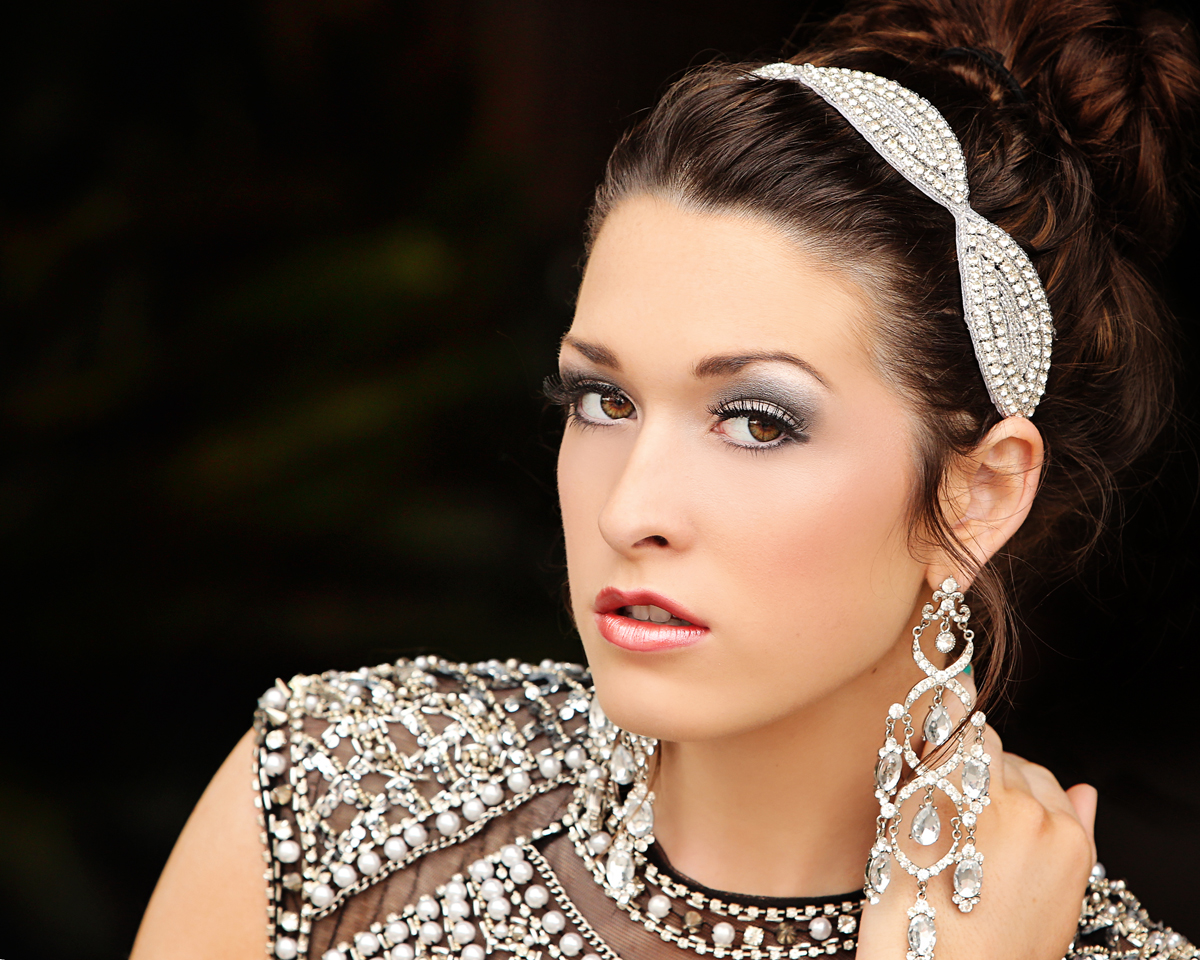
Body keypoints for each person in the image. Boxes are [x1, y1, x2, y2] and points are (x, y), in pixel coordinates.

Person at [130, 0, 1200, 957]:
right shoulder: (332, 795)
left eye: (757, 421)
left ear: (979, 493)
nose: (630, 509)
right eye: (604, 400)